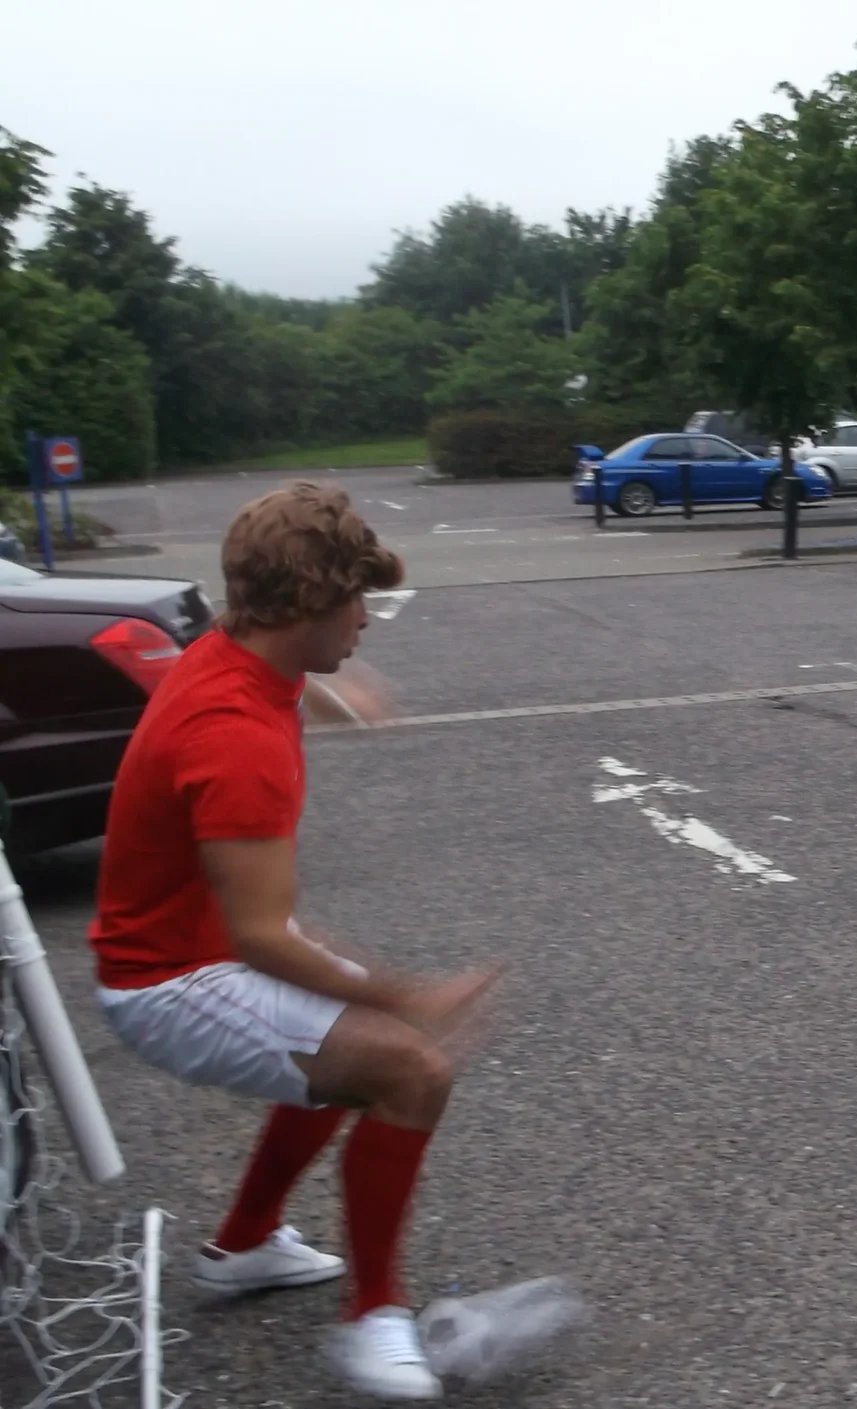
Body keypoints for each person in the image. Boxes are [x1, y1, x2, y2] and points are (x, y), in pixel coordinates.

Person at [86, 482, 500, 1399]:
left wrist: (333, 697)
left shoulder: (231, 651)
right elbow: (265, 938)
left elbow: (148, 661)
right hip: (167, 983)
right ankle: (374, 1318)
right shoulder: (238, 739)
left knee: (337, 1034)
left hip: (189, 950)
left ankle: (241, 1246)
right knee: (406, 1067)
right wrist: (410, 997)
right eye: (355, 600)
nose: (366, 618)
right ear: (310, 604)